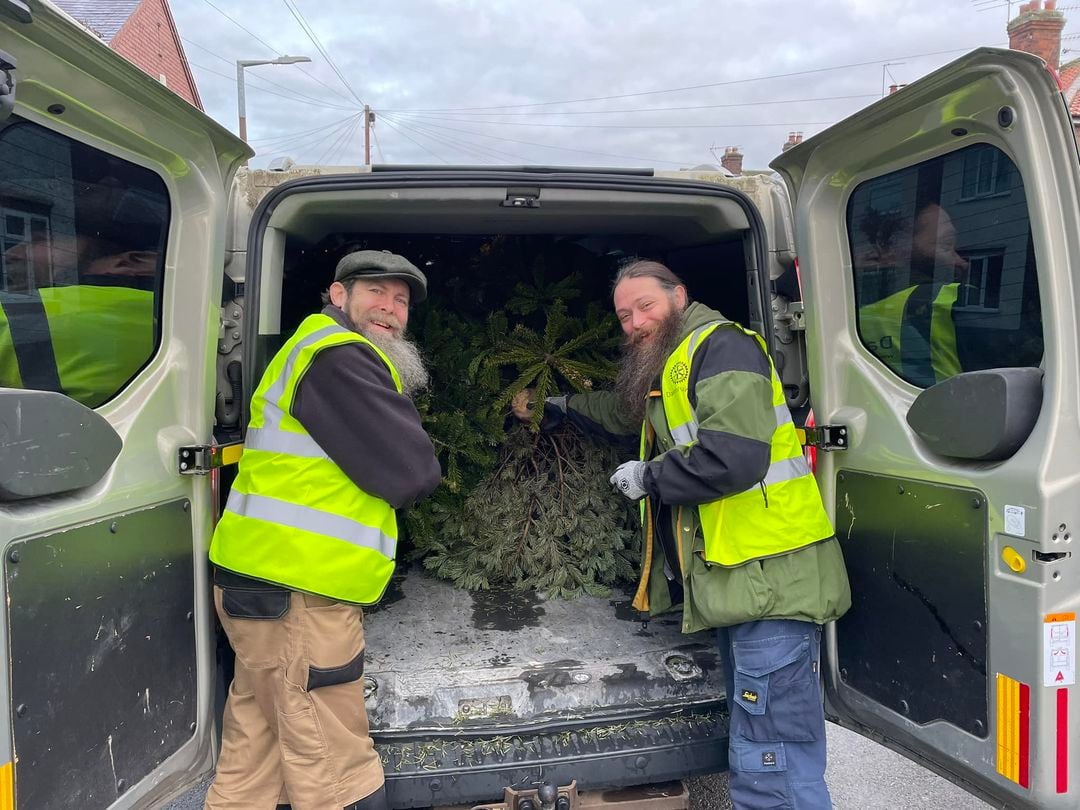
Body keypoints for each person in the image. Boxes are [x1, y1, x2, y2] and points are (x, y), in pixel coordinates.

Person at [513, 260, 850, 809]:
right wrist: (559, 409)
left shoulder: (722, 347)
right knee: (755, 740)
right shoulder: (672, 362)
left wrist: (649, 476)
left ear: (679, 296)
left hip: (773, 580)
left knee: (774, 755)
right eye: (624, 315)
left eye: (645, 306)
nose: (635, 322)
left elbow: (733, 456)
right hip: (740, 582)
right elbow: (625, 413)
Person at [206, 250, 442, 810]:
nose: (390, 308)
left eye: (401, 301)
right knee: (334, 767)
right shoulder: (338, 357)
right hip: (298, 596)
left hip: (262, 583)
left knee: (256, 746)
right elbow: (412, 472)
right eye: (376, 293)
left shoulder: (312, 350)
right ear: (338, 296)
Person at [857, 203, 969, 386]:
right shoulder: (952, 301)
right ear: (893, 252)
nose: (962, 263)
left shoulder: (848, 316)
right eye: (946, 245)